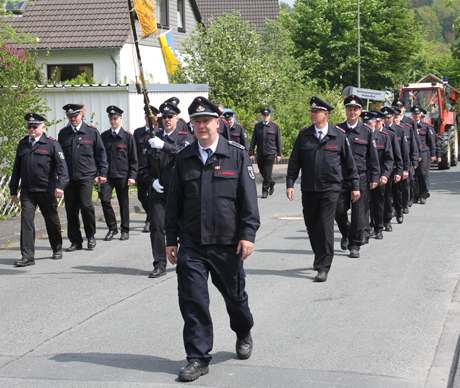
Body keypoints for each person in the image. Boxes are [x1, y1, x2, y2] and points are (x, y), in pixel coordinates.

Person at [165, 96, 260, 382]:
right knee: (193, 300)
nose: (202, 126)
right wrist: (171, 239)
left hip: (227, 243)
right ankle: (197, 357)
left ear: (217, 123)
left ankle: (243, 330)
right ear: (191, 125)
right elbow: (173, 203)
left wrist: (248, 235)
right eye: (196, 121)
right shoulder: (183, 158)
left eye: (206, 120)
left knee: (235, 298)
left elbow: (248, 200)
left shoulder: (236, 154)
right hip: (192, 243)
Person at [286, 97, 359, 282]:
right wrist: (290, 183)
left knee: (326, 225)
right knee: (312, 225)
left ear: (325, 115)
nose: (312, 114)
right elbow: (295, 161)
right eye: (311, 111)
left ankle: (324, 265)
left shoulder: (338, 136)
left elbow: (349, 164)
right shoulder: (304, 135)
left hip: (331, 188)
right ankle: (319, 255)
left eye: (316, 112)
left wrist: (355, 186)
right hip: (309, 189)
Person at [10, 113, 69, 267]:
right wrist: (13, 191)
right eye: (29, 126)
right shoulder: (23, 144)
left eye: (34, 126)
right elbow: (16, 169)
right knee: (26, 221)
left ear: (42, 127)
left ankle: (57, 247)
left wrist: (60, 186)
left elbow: (63, 168)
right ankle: (28, 256)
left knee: (51, 220)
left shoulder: (52, 144)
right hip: (28, 191)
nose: (31, 129)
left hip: (46, 190)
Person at [146, 99, 194, 278]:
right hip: (159, 191)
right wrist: (151, 181)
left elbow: (184, 153)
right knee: (157, 227)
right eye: (164, 116)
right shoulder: (153, 137)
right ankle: (159, 263)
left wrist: (164, 146)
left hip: (180, 192)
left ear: (177, 118)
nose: (167, 120)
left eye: (170, 116)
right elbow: (144, 166)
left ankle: (185, 259)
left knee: (183, 227)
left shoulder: (185, 136)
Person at [58, 103, 108, 251]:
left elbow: (101, 154)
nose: (73, 118)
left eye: (75, 116)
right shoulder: (63, 133)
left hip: (86, 176)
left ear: (82, 115)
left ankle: (90, 236)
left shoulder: (91, 132)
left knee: (86, 207)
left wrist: (102, 173)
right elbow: (59, 157)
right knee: (71, 210)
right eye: (70, 116)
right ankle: (75, 241)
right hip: (69, 178)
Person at [335, 95, 380, 258]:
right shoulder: (337, 130)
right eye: (349, 109)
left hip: (360, 177)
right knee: (338, 210)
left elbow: (372, 157)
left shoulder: (366, 132)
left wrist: (375, 177)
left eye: (355, 109)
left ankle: (355, 245)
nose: (352, 112)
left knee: (358, 213)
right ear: (345, 110)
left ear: (360, 111)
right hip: (341, 177)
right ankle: (346, 232)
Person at [99, 106, 138, 241]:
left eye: (115, 118)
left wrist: (132, 176)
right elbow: (99, 156)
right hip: (107, 175)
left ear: (121, 119)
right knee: (104, 200)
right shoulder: (104, 136)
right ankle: (112, 228)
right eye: (111, 119)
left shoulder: (127, 137)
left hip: (122, 175)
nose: (113, 121)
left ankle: (125, 230)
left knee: (123, 203)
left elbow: (134, 159)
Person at [364, 111, 394, 240]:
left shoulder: (383, 137)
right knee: (364, 205)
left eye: (370, 122)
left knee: (378, 203)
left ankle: (379, 228)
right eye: (365, 123)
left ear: (376, 123)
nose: (368, 125)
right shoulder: (360, 136)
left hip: (380, 176)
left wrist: (385, 175)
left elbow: (389, 159)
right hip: (364, 176)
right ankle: (366, 228)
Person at [133, 105, 159, 233]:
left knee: (153, 196)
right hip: (141, 170)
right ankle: (151, 214)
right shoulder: (138, 132)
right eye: (147, 116)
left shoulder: (159, 132)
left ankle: (149, 220)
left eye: (152, 116)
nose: (149, 118)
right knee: (141, 196)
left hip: (154, 170)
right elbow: (134, 152)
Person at [249, 108, 282, 198]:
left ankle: (264, 190)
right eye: (264, 115)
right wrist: (251, 152)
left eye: (267, 115)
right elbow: (253, 140)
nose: (265, 117)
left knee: (267, 172)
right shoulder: (257, 126)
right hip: (260, 153)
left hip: (271, 153)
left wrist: (279, 154)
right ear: (262, 116)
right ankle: (271, 183)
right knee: (261, 170)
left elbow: (278, 141)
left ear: (269, 116)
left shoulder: (275, 127)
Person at [381, 106, 403, 231]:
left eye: (388, 117)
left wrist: (400, 170)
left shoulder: (393, 133)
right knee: (379, 198)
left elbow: (399, 154)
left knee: (391, 195)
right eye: (384, 118)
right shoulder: (375, 132)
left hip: (392, 169)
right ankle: (377, 222)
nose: (386, 120)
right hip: (379, 170)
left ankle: (390, 218)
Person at [411, 106, 436, 204]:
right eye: (414, 114)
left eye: (417, 114)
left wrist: (433, 154)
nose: (416, 116)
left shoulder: (426, 126)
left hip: (424, 153)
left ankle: (423, 194)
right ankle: (415, 195)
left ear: (420, 115)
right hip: (414, 153)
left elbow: (431, 141)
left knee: (423, 174)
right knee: (414, 175)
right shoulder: (409, 125)